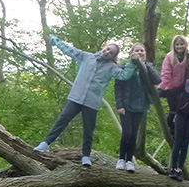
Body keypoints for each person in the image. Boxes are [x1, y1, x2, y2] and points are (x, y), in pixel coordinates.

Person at [34, 35, 138, 167]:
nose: (107, 52)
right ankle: (45, 143)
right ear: (103, 47)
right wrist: (55, 41)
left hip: (92, 102)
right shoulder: (86, 57)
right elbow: (70, 50)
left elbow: (125, 75)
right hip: (76, 97)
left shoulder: (112, 67)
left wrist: (132, 63)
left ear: (113, 56)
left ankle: (86, 156)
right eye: (107, 49)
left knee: (89, 129)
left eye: (111, 52)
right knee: (63, 120)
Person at [114, 43, 160, 173]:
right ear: (131, 53)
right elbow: (118, 88)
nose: (140, 53)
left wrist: (144, 66)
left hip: (140, 106)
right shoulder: (124, 68)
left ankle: (129, 160)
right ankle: (121, 158)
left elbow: (157, 80)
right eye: (137, 50)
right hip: (126, 106)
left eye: (142, 51)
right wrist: (120, 105)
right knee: (127, 133)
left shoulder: (147, 68)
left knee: (134, 134)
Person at [158, 35, 189, 137]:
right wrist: (161, 87)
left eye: (182, 44)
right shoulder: (169, 57)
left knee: (182, 110)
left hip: (184, 87)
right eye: (177, 44)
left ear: (185, 45)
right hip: (171, 88)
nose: (179, 46)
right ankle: (170, 129)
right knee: (173, 110)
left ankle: (180, 131)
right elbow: (166, 73)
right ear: (174, 46)